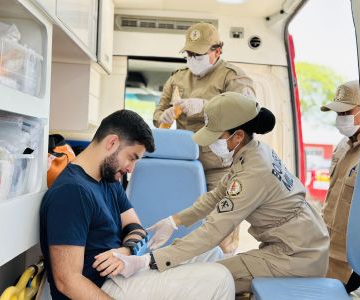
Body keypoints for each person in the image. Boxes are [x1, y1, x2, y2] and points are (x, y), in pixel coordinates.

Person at [115, 92, 330, 296]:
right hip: (298, 243)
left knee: (210, 280)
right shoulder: (253, 152)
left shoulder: (254, 171)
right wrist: (174, 221)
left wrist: (150, 260)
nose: (211, 143)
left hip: (297, 255)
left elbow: (213, 231)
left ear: (238, 136)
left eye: (217, 136)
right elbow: (216, 196)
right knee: (210, 273)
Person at [40, 110, 234, 300]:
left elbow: (137, 229)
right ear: (112, 142)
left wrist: (127, 251)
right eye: (132, 157)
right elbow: (67, 281)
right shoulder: (72, 192)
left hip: (124, 271)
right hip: (102, 287)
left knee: (211, 255)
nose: (130, 168)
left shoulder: (109, 181)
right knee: (220, 279)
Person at [153, 22, 255, 254]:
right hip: (184, 165)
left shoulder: (233, 78)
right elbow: (157, 115)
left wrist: (205, 106)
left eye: (197, 54)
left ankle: (226, 278)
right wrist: (165, 115)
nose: (192, 59)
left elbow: (248, 113)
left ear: (217, 51)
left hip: (219, 167)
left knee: (220, 232)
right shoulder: (177, 78)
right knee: (179, 227)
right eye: (188, 54)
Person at [320, 80, 360, 283]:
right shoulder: (341, 146)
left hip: (351, 264)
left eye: (347, 113)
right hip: (325, 251)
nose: (341, 119)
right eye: (338, 114)